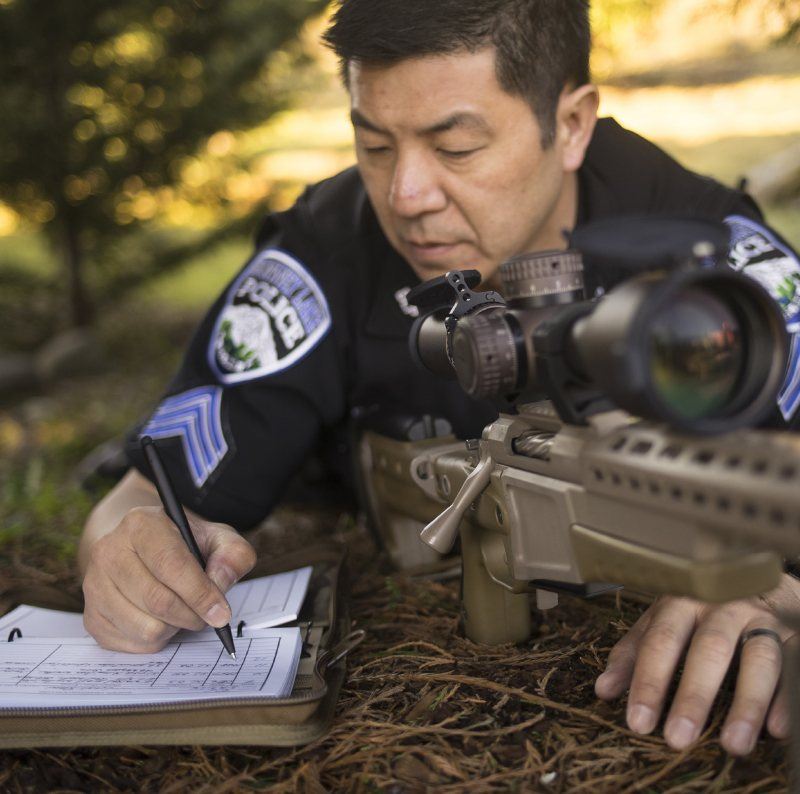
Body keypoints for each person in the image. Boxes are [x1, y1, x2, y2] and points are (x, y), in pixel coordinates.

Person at [78, 0, 800, 758]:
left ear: (574, 125)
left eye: (456, 147)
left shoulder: (720, 269)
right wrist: (124, 556)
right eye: (375, 144)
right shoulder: (327, 255)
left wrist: (779, 588)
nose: (405, 197)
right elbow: (139, 501)